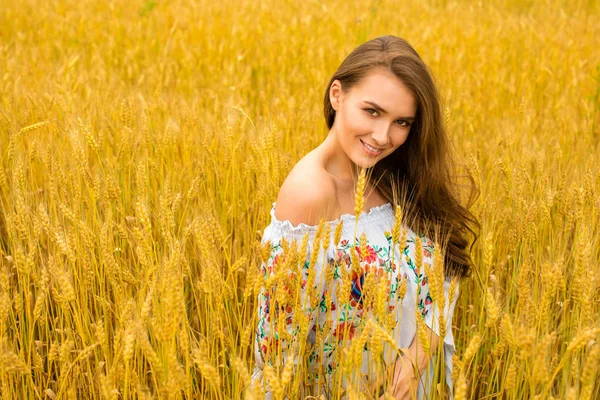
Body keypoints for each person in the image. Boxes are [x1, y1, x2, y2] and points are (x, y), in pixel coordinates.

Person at [250, 35, 479, 399]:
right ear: (337, 95)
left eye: (402, 122)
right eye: (371, 111)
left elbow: (445, 269)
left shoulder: (396, 172)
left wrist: (417, 355)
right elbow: (277, 354)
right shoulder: (310, 195)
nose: (382, 136)